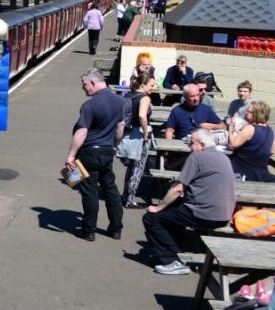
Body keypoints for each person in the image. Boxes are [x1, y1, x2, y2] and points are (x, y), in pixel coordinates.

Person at [143, 129, 236, 275]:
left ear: (202, 145)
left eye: (192, 143)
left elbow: (178, 189)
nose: (189, 146)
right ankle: (177, 246)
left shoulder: (196, 157)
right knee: (174, 209)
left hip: (203, 214)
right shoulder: (224, 157)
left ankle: (172, 260)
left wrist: (158, 207)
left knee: (151, 218)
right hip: (224, 214)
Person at [65, 68, 125, 241]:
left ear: (93, 82)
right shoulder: (119, 101)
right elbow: (120, 127)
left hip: (89, 152)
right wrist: (114, 145)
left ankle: (88, 231)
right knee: (110, 189)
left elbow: (82, 132)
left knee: (89, 192)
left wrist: (71, 155)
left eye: (84, 85)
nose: (83, 88)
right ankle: (115, 229)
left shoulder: (89, 105)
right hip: (107, 151)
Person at [118, 72, 156, 208]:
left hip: (128, 134)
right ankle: (129, 199)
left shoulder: (129, 95)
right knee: (138, 168)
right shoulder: (144, 98)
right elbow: (142, 115)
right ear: (143, 84)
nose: (153, 88)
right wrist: (146, 131)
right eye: (151, 85)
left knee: (131, 167)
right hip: (140, 136)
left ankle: (126, 195)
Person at [228, 100, 275, 182]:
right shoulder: (270, 130)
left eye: (248, 111)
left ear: (256, 114)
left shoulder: (250, 128)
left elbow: (232, 145)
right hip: (261, 172)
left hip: (241, 169)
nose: (245, 113)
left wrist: (230, 128)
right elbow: (271, 151)